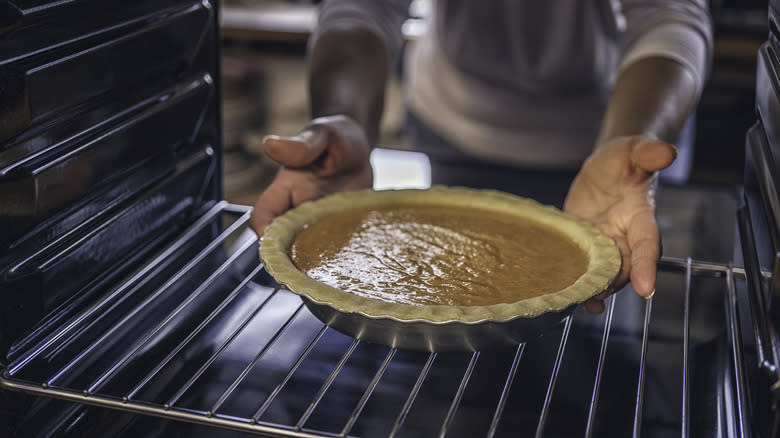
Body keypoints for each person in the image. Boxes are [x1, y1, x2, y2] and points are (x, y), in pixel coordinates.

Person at [249, 0, 713, 314]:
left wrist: (632, 137)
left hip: (612, 144)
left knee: (603, 327)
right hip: (460, 120)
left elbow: (669, 15)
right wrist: (342, 116)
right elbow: (362, 6)